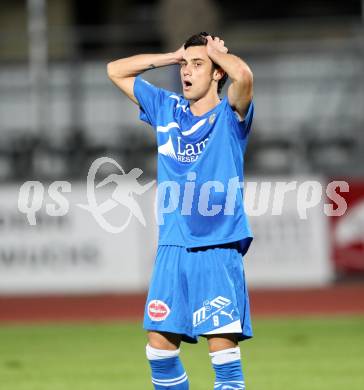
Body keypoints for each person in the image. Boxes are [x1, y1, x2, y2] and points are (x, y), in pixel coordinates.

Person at [107, 32, 254, 390]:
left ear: (217, 72)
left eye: (197, 65)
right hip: (172, 247)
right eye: (185, 66)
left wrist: (219, 54)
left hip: (216, 248)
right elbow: (115, 70)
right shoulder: (167, 109)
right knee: (159, 351)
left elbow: (245, 77)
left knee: (224, 361)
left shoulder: (229, 114)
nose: (186, 72)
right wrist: (172, 56)